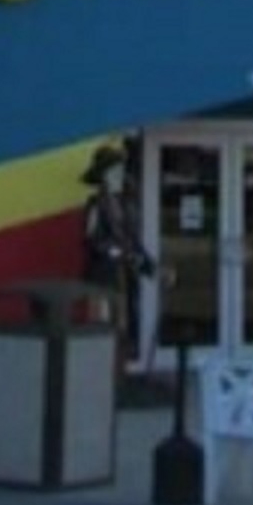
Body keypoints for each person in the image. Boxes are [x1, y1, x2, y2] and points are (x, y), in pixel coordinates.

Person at [79, 138, 154, 355]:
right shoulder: (96, 205)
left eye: (121, 170)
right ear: (104, 176)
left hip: (123, 274)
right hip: (102, 275)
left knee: (122, 325)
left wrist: (148, 265)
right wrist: (117, 252)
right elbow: (92, 240)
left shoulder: (126, 205)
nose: (120, 175)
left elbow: (132, 240)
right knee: (101, 326)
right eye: (115, 171)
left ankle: (118, 365)